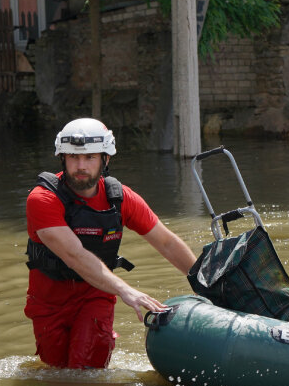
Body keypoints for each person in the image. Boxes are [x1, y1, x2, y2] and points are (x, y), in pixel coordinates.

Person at [24, 118, 197, 368]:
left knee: (86, 371)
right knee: (57, 374)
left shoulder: (120, 198)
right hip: (49, 302)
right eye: (73, 157)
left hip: (95, 295)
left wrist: (204, 284)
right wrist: (127, 290)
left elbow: (167, 242)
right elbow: (74, 255)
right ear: (62, 158)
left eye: (90, 157)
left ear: (106, 159)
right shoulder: (42, 199)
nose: (80, 166)